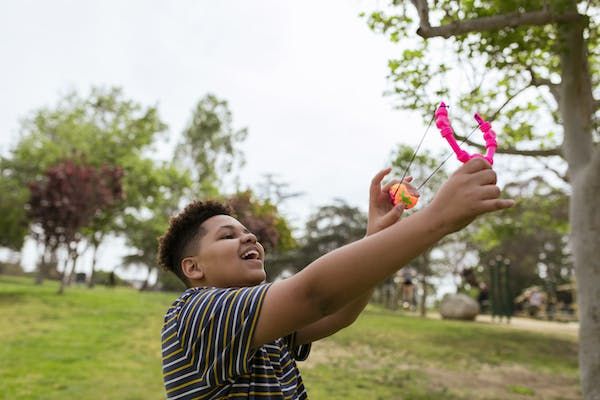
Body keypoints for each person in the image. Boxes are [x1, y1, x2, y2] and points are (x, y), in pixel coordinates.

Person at [157, 159, 513, 399]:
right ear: (193, 269)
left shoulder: (259, 325)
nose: (249, 237)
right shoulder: (194, 314)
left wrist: (375, 237)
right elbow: (313, 295)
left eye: (247, 232)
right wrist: (438, 219)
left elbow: (337, 313)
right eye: (227, 236)